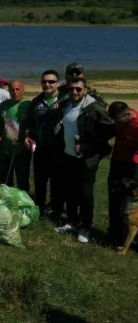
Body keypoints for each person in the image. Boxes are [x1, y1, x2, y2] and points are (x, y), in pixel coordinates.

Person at [55, 77, 115, 243]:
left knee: (85, 193)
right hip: (69, 156)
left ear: (86, 90)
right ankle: (73, 222)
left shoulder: (94, 107)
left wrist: (88, 146)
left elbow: (110, 130)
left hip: (87, 159)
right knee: (71, 190)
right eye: (71, 89)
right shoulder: (67, 105)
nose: (74, 92)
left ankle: (86, 227)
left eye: (78, 89)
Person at [22, 70, 63, 217]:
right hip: (40, 149)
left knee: (57, 182)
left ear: (58, 83)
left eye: (51, 81)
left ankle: (56, 209)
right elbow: (29, 123)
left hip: (59, 150)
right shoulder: (36, 101)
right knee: (40, 180)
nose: (47, 84)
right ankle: (38, 208)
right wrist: (27, 136)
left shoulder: (65, 100)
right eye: (44, 82)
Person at [106, 102, 138, 246]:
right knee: (114, 199)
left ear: (127, 114)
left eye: (118, 121)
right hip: (116, 163)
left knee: (131, 203)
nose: (116, 124)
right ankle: (114, 233)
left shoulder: (137, 125)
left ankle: (131, 237)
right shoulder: (120, 121)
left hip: (133, 166)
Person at [0, 79, 31, 190]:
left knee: (22, 176)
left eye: (17, 89)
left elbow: (33, 126)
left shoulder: (28, 105)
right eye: (12, 90)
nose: (15, 92)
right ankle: (9, 198)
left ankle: (24, 200)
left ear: (23, 89)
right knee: (6, 177)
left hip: (22, 149)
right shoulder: (3, 105)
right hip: (6, 147)